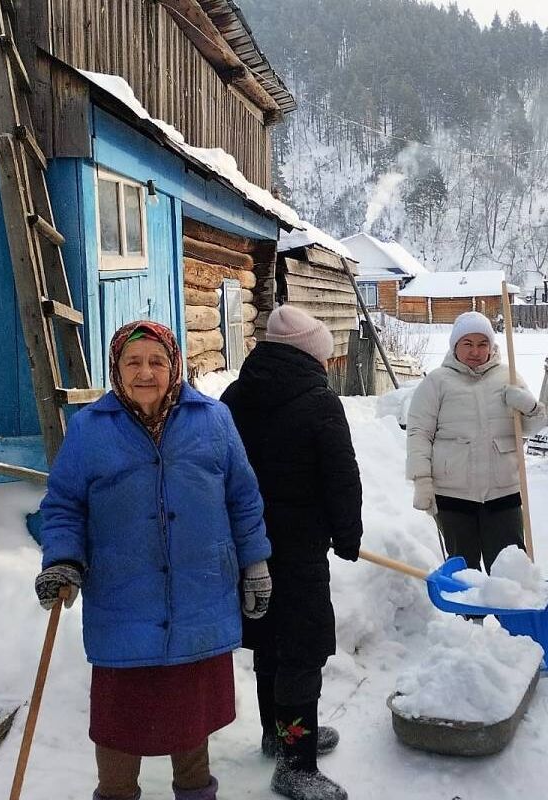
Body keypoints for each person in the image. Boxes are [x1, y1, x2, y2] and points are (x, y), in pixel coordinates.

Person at [35, 320, 272, 800]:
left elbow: (243, 499)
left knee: (190, 728)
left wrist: (255, 564)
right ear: (116, 369)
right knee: (119, 729)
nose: (146, 372)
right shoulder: (88, 429)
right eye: (133, 362)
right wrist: (63, 559)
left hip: (198, 596)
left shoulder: (213, 420)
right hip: (123, 600)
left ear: (175, 366)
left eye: (157, 362)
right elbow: (63, 505)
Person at [221, 304, 362, 800]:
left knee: (267, 639)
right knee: (302, 647)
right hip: (300, 548)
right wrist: (347, 536)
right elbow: (342, 478)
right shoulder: (320, 403)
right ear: (311, 355)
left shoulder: (234, 396)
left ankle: (275, 734)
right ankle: (295, 763)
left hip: (248, 546)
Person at [405, 311, 547, 572]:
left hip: (503, 491)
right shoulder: (437, 382)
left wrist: (528, 406)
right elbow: (419, 433)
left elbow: (532, 426)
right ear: (454, 346)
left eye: (482, 344)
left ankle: (512, 613)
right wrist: (422, 480)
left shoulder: (509, 377)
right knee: (464, 570)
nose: (475, 352)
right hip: (452, 494)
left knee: (511, 569)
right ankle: (474, 615)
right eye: (467, 344)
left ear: (491, 347)